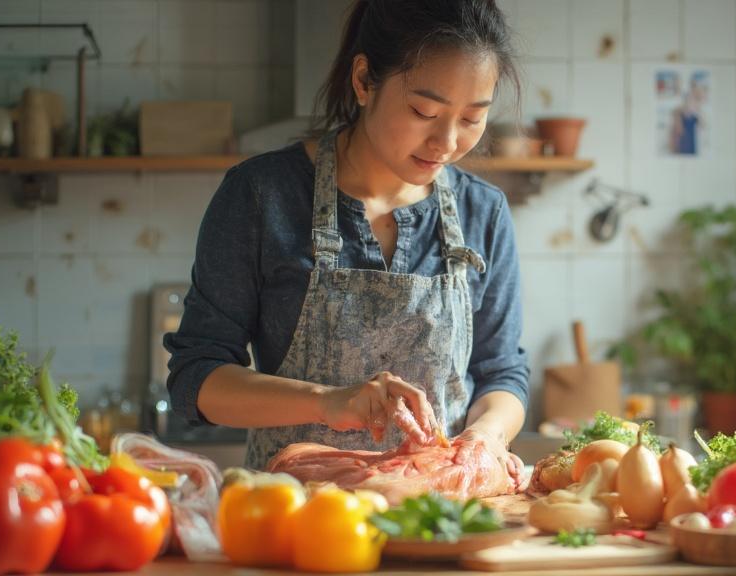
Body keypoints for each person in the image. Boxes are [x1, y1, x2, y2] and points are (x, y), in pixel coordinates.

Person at [163, 0, 529, 484]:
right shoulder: (261, 195)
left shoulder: (483, 211)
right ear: (363, 81)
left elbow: (502, 374)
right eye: (424, 110)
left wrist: (486, 436)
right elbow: (197, 376)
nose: (445, 141)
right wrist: (326, 401)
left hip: (437, 523)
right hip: (294, 523)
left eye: (471, 119)